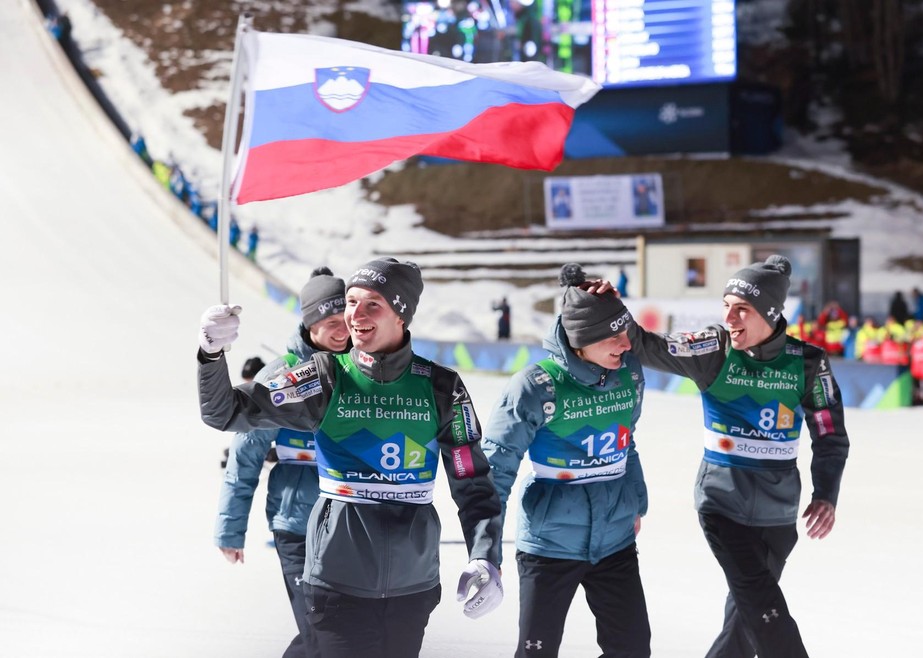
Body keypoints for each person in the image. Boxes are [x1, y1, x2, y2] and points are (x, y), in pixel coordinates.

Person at [197, 258, 504, 658]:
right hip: (336, 582)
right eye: (351, 302)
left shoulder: (442, 387)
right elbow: (227, 413)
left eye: (371, 304)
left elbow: (473, 481)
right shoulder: (324, 376)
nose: (355, 314)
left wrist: (485, 557)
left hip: (413, 586)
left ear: (401, 313)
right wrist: (211, 353)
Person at [597, 254, 850, 658]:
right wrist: (611, 308)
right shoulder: (713, 349)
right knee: (763, 605)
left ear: (770, 313)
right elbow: (647, 346)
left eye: (742, 310)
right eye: (726, 307)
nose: (730, 318)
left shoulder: (807, 363)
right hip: (722, 505)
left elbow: (830, 434)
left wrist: (826, 493)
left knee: (743, 622)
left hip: (778, 516)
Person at [482, 263, 650, 658]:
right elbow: (496, 468)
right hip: (549, 545)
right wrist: (486, 550)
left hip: (615, 542)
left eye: (626, 333)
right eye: (615, 336)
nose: (627, 345)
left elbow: (628, 444)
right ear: (581, 339)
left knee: (632, 649)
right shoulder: (535, 385)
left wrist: (636, 503)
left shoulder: (630, 375)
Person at [215, 268, 351, 658]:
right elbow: (245, 454)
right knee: (319, 630)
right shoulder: (283, 375)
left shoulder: (360, 369)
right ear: (310, 324)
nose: (341, 331)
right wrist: (230, 528)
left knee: (336, 631)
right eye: (329, 323)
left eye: (345, 321)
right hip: (296, 523)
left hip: (351, 520)